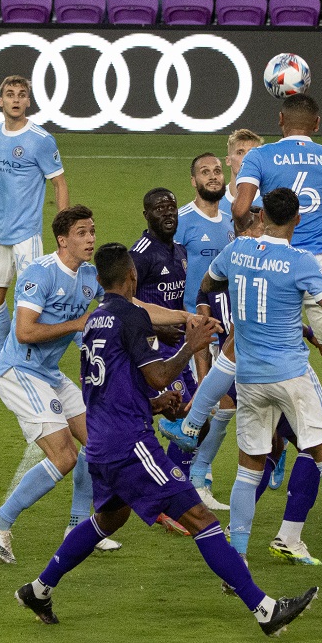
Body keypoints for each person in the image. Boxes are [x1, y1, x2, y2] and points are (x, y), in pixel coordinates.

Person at [14, 242, 319, 637]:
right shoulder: (131, 315)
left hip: (103, 442)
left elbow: (111, 386)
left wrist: (156, 404)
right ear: (132, 277)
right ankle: (265, 610)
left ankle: (38, 589)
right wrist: (190, 349)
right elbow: (158, 374)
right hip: (130, 446)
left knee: (110, 517)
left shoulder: (94, 322)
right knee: (201, 519)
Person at [202, 188, 322, 582]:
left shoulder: (236, 251)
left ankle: (238, 559)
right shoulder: (301, 261)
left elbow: (209, 283)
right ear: (297, 220)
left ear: (262, 213)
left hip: (248, 377)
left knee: (249, 468)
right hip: (290, 377)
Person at [231, 94, 322, 502]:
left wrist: (255, 239)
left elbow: (242, 207)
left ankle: (196, 430)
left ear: (280, 121)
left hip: (271, 259)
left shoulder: (260, 156)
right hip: (320, 266)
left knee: (245, 349)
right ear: (316, 124)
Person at [0, 206, 120, 563]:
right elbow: (25, 332)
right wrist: (77, 326)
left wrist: (181, 318)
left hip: (49, 373)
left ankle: (77, 528)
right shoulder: (39, 273)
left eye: (92, 232)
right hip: (20, 372)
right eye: (82, 233)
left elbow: (123, 309)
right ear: (63, 239)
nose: (90, 239)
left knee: (98, 441)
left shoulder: (89, 276)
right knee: (64, 456)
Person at [130, 184, 229, 513]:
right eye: (159, 209)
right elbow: (122, 301)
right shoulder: (141, 254)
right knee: (188, 421)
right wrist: (161, 326)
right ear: (146, 215)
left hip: (173, 347)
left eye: (171, 207)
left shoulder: (179, 252)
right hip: (149, 351)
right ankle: (176, 493)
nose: (168, 213)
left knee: (195, 424)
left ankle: (178, 493)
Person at [0, 75, 68, 385]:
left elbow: (59, 182)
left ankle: (32, 365)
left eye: (22, 94)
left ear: (28, 102)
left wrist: (64, 232)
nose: (16, 99)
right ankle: (2, 365)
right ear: (1, 101)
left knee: (30, 304)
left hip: (26, 235)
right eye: (10, 94)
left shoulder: (40, 139)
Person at [172, 156, 236, 508]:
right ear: (193, 181)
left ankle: (197, 477)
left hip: (223, 326)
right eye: (204, 173)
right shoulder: (182, 221)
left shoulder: (231, 221)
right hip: (193, 327)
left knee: (223, 407)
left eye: (216, 171)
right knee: (200, 402)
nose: (212, 177)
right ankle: (185, 480)